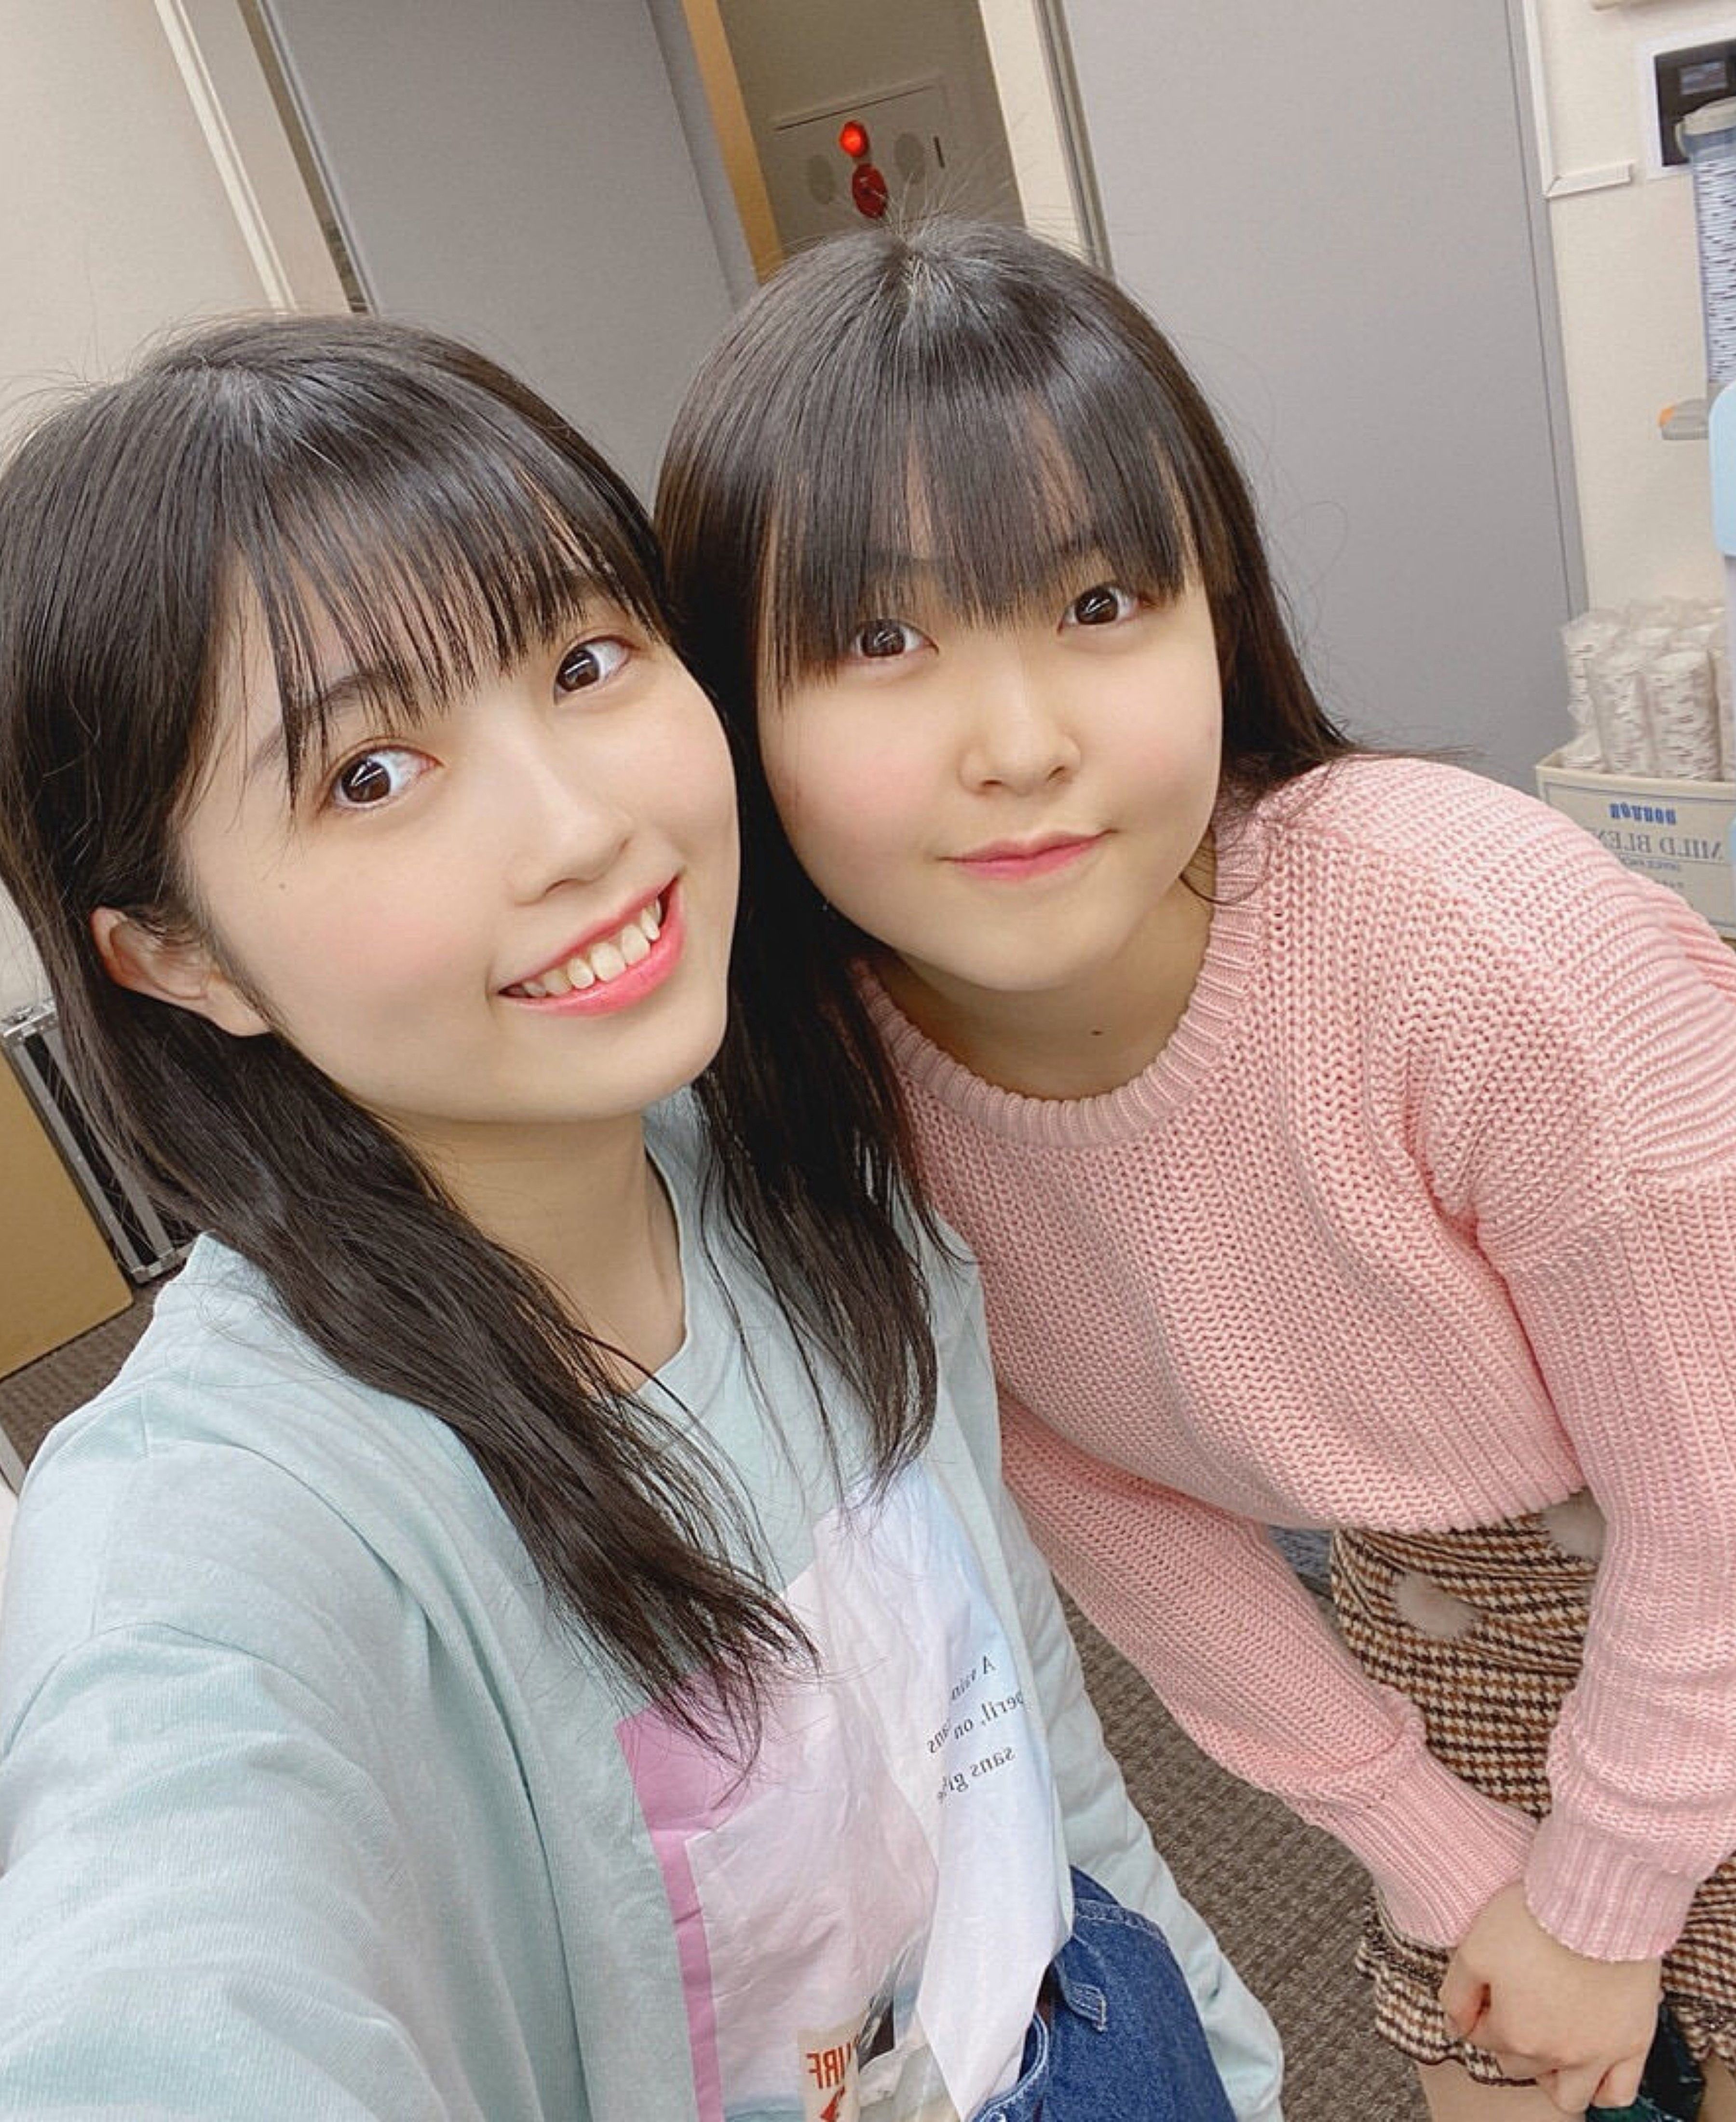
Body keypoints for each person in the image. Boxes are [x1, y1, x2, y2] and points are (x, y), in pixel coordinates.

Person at [0, 315, 1283, 2122]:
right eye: (370, 774)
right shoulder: (226, 1529)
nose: (580, 827)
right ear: (177, 954)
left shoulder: (815, 1161)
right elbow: (154, 1976)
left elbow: (1018, 1741)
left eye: (586, 661)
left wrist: (1222, 2050)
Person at [655, 216, 1736, 2122]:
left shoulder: (1478, 947)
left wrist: (1608, 1885)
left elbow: (1713, 1489)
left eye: (1097, 605)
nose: (1020, 745)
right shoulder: (828, 1090)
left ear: (1214, 616)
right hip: (1448, 1605)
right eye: (882, 639)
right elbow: (1116, 1507)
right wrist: (1444, 1851)